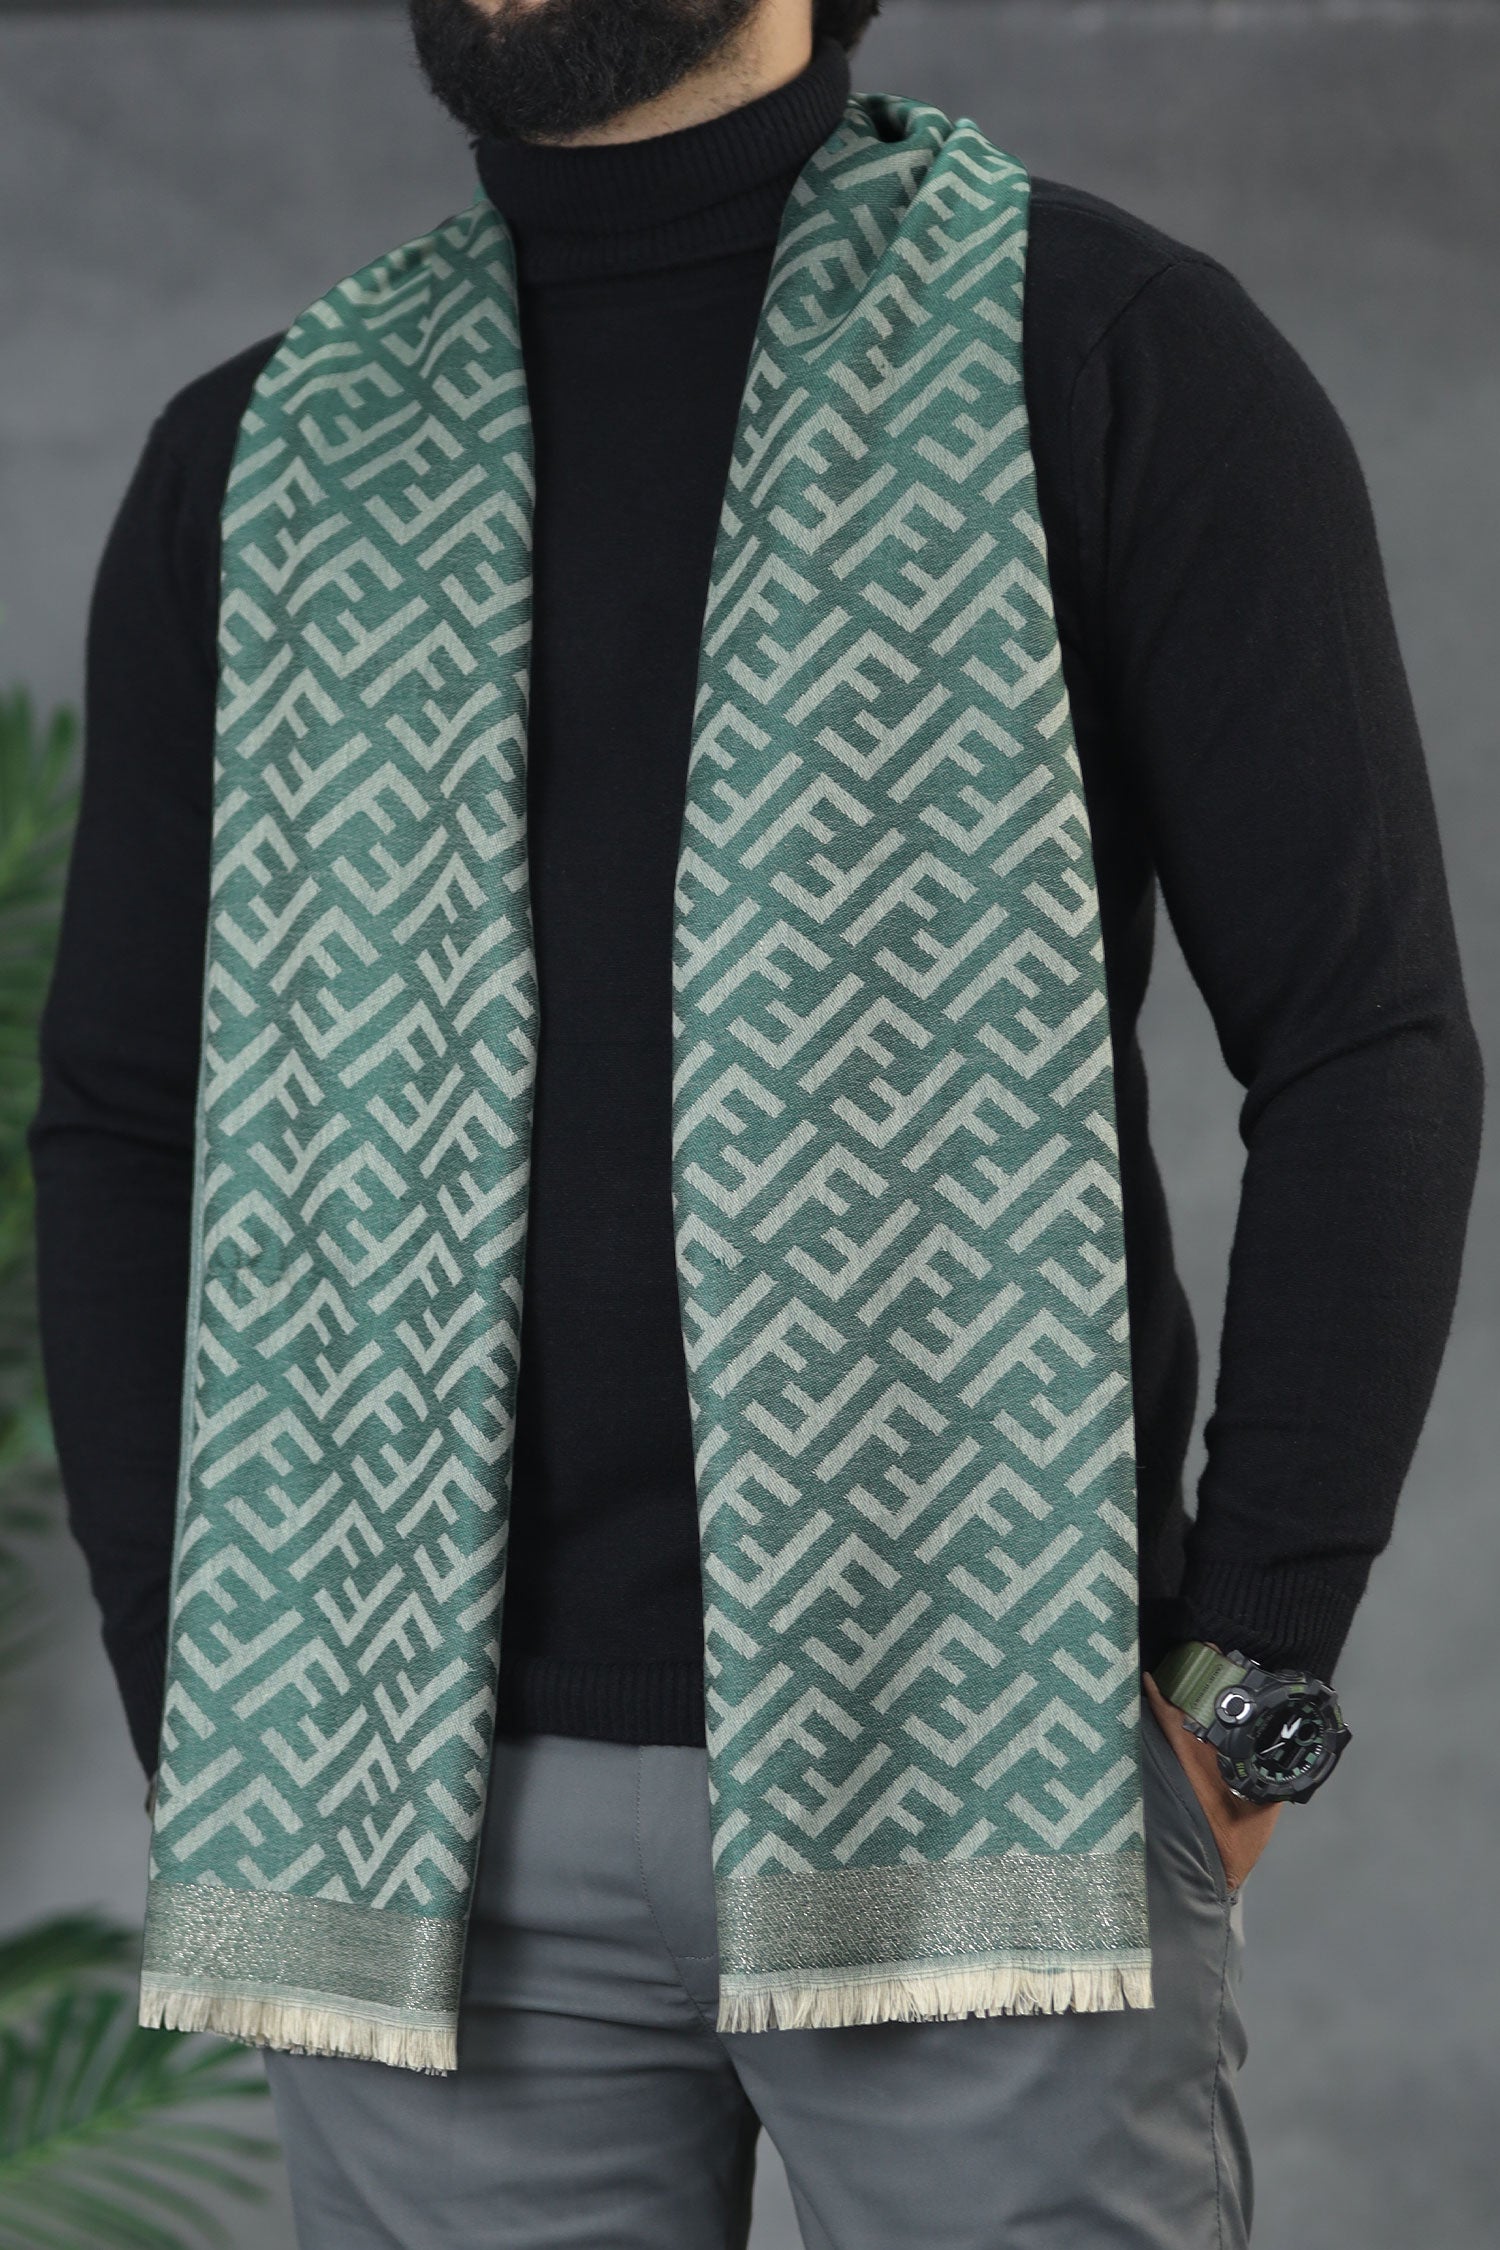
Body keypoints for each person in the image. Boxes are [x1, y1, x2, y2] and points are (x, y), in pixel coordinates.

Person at [28, 0, 1483, 2243]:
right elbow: (129, 1123)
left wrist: (1251, 1689)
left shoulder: (1105, 356)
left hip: (995, 1776)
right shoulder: (262, 458)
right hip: (408, 1832)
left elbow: (1366, 1042)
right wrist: (203, 1691)